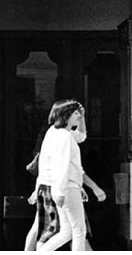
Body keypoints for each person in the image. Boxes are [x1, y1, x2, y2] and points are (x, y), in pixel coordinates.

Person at [29, 99, 106, 252]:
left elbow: (81, 136)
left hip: (57, 186)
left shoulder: (54, 133)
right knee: (79, 231)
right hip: (67, 187)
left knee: (66, 231)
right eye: (75, 113)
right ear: (66, 115)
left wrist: (82, 117)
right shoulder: (64, 137)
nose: (78, 115)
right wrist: (60, 190)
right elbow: (62, 166)